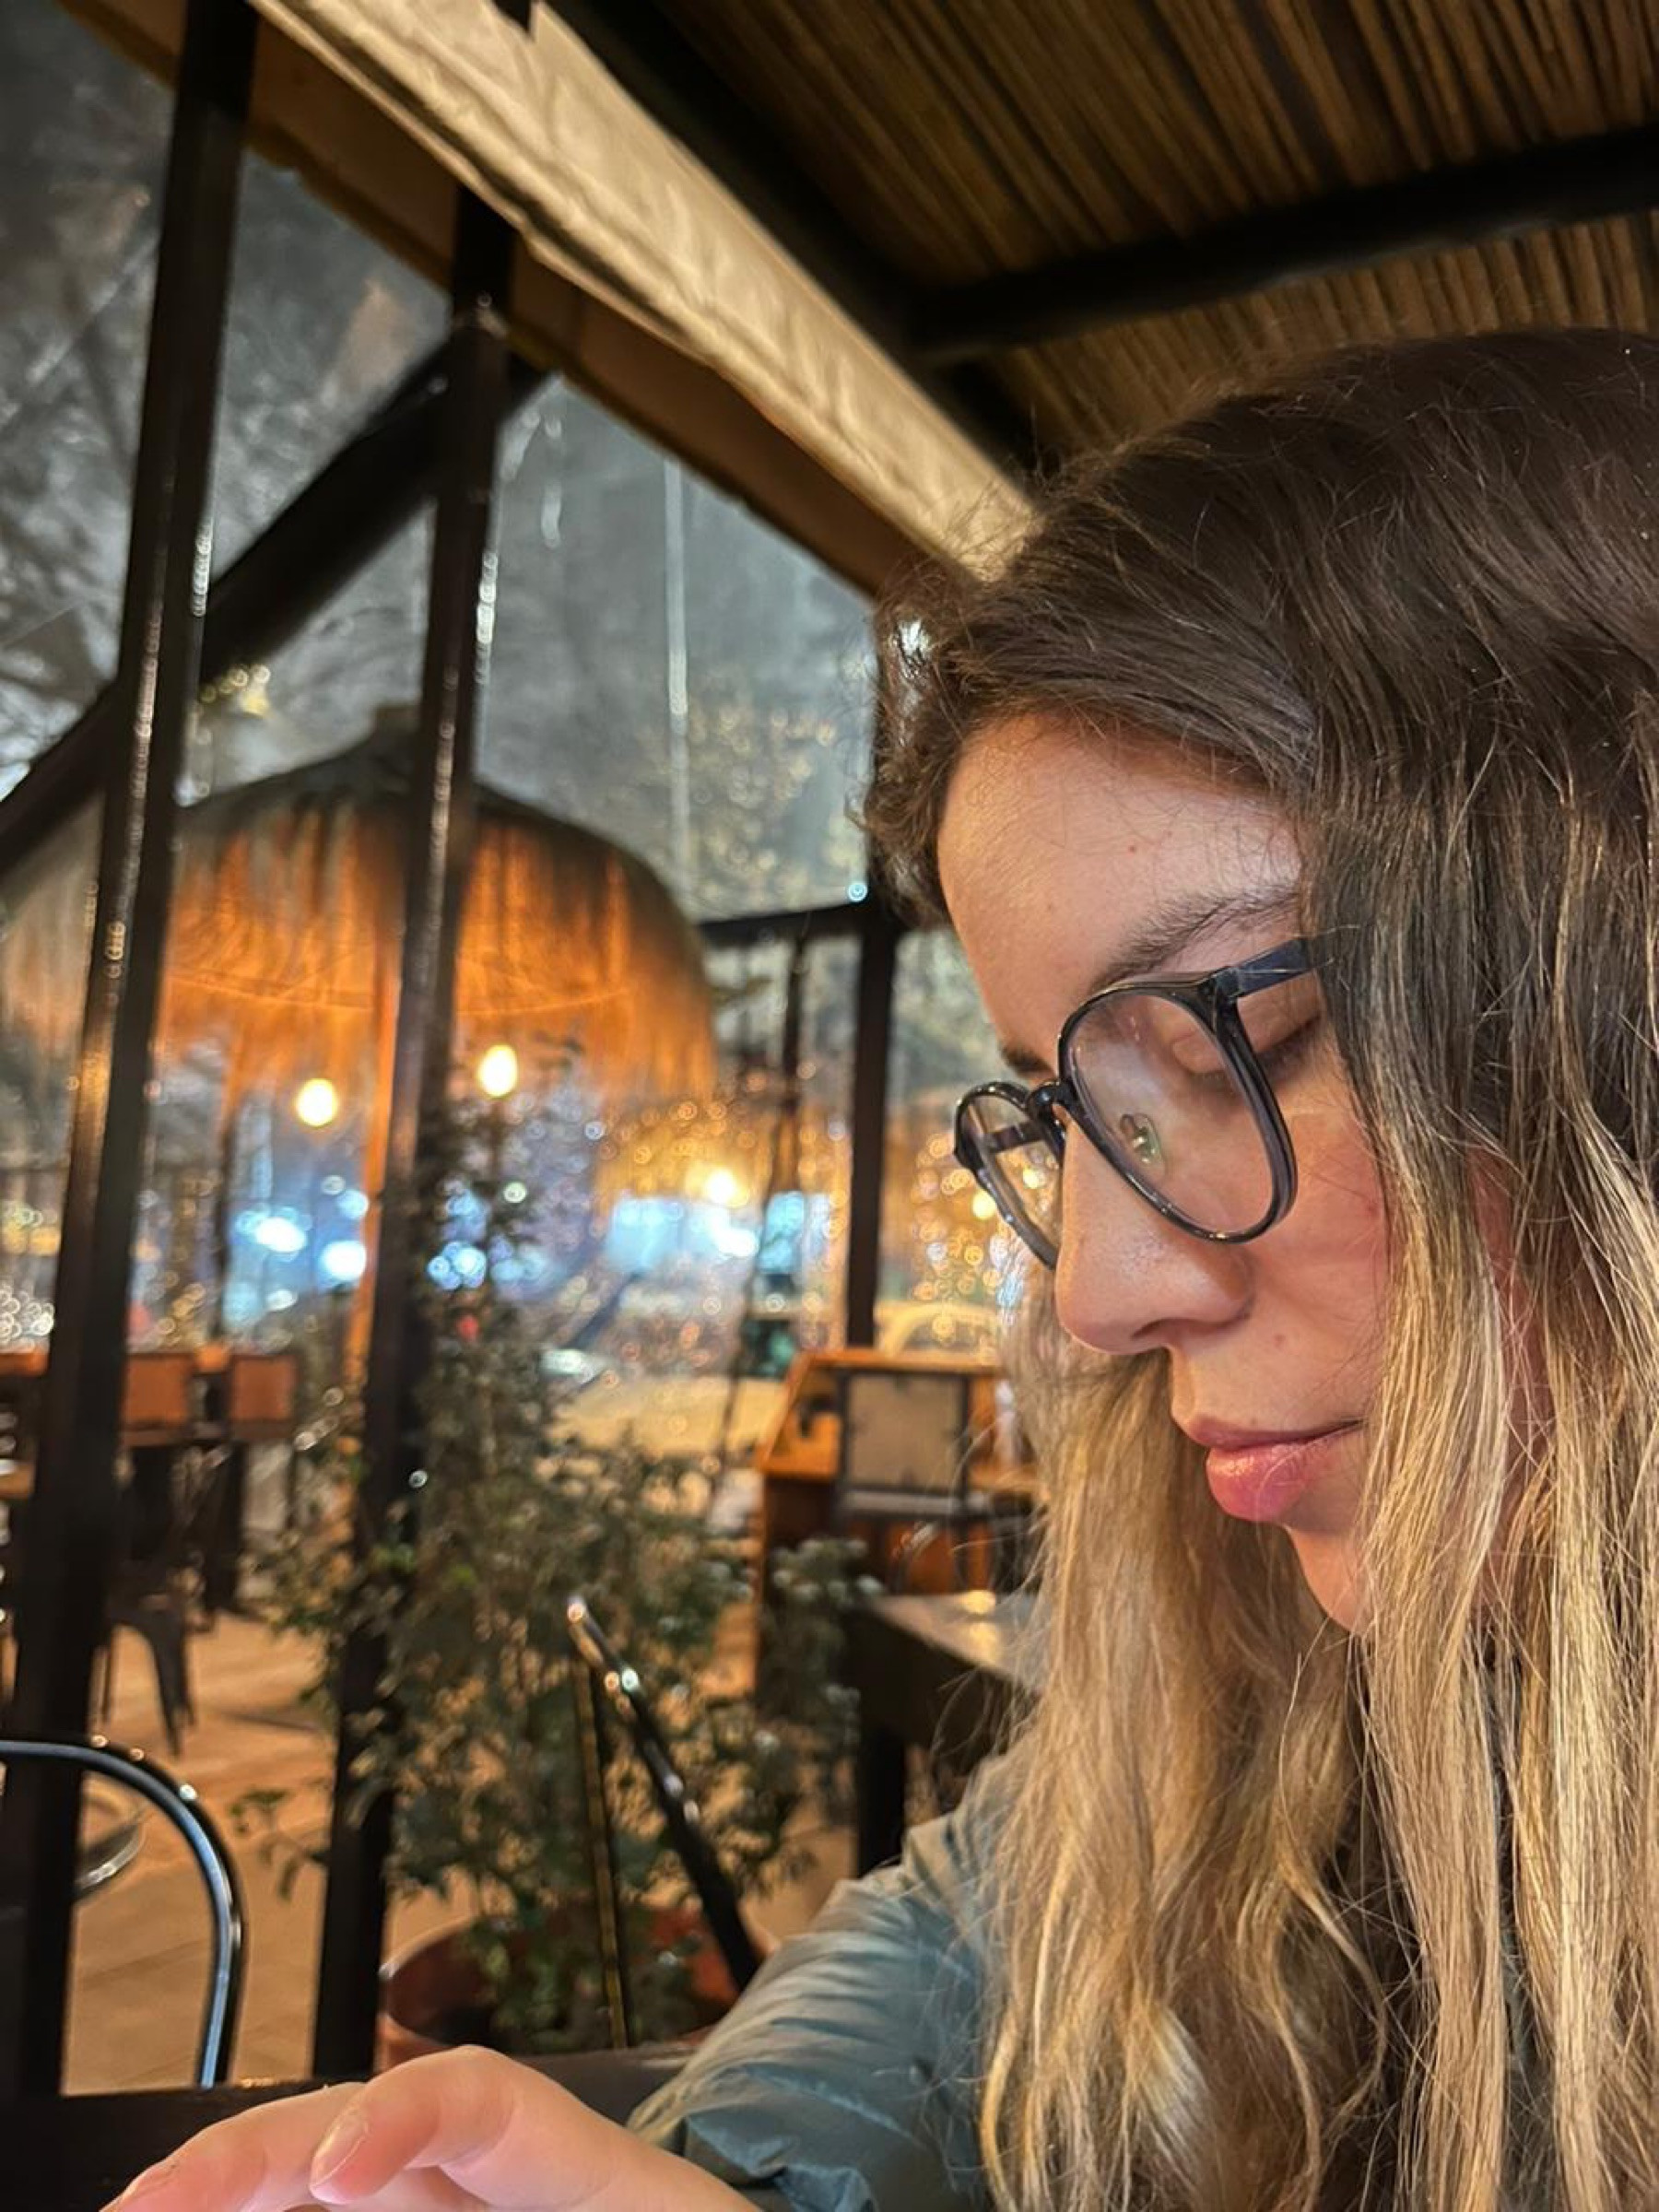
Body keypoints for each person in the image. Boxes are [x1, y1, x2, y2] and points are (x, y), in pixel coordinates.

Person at [111, 326, 1659, 2212]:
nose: (1099, 1295)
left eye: (1244, 1042)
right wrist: (724, 2182)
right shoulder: (1319, 1675)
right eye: (1076, 1114)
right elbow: (982, 1921)